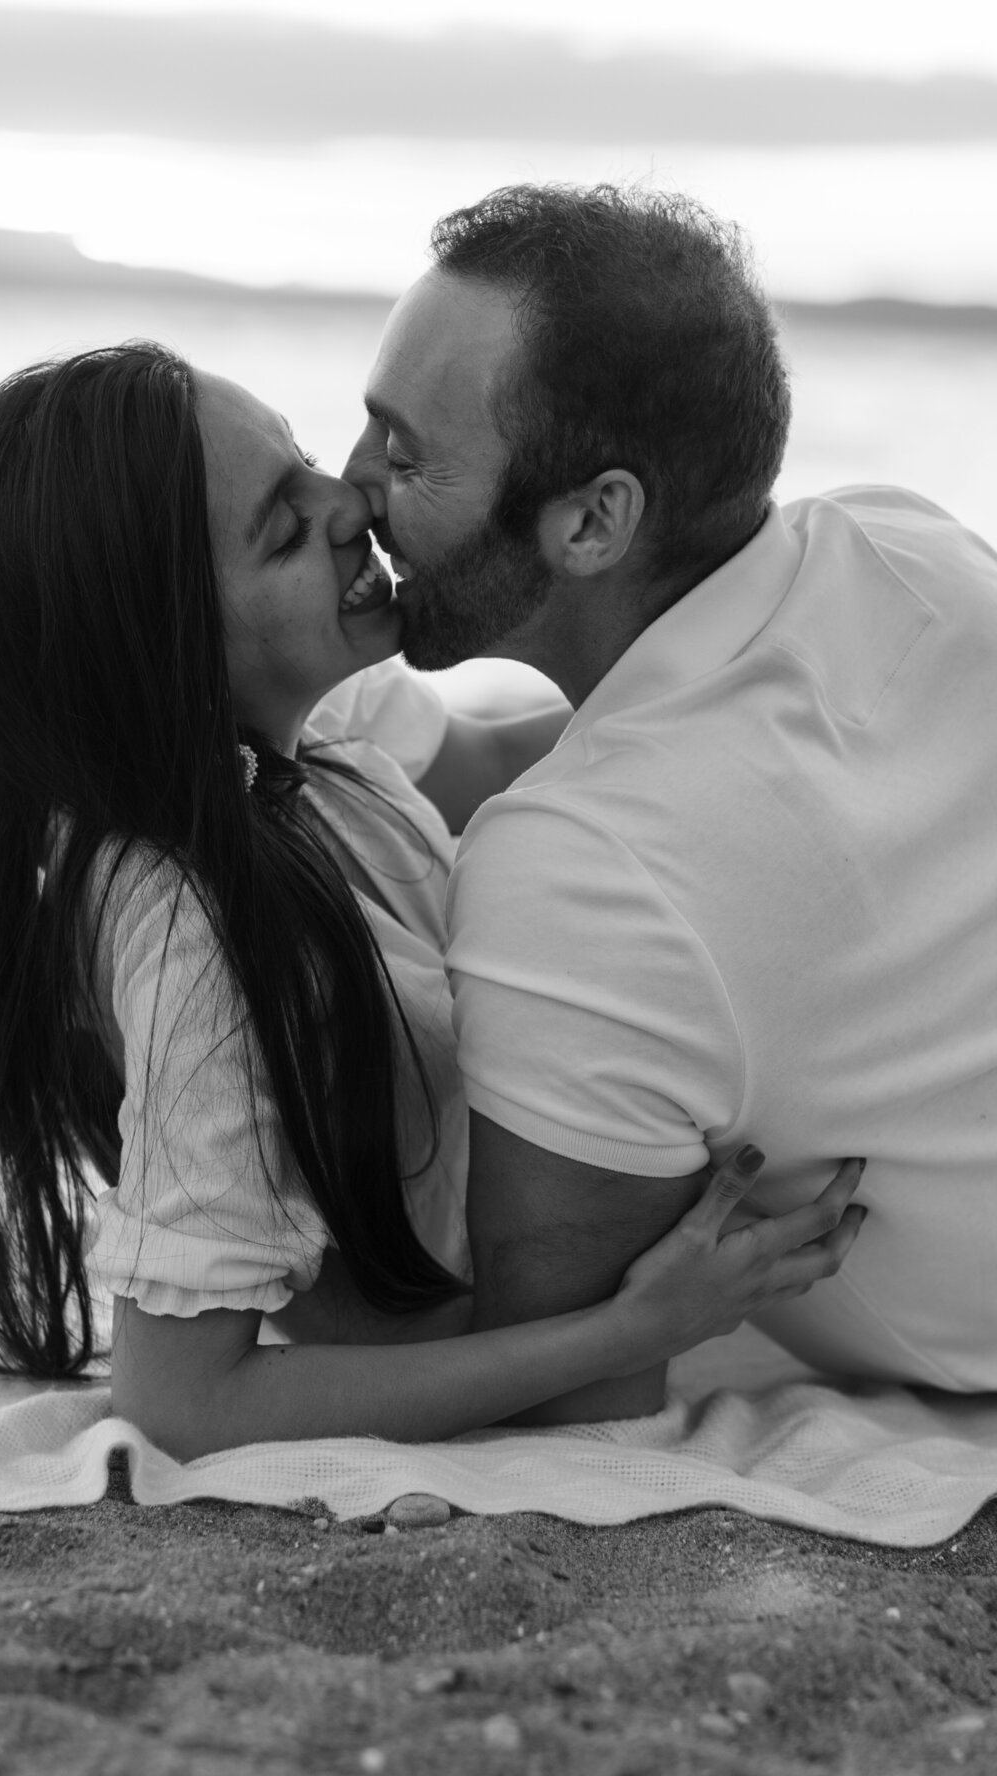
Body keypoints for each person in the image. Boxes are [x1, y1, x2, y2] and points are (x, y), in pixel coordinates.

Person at [0, 342, 863, 1462]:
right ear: (169, 647)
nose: (350, 502)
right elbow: (179, 1403)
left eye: (307, 462)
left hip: (564, 1237)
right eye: (282, 524)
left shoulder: (303, 736)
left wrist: (763, 651)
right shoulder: (193, 938)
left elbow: (514, 751)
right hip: (507, 1334)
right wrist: (624, 1330)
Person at [343, 181, 997, 1422]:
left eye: (407, 453)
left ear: (594, 519)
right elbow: (593, 764)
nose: (351, 483)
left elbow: (564, 1385)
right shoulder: (895, 545)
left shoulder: (584, 868)